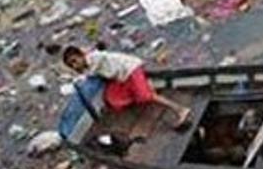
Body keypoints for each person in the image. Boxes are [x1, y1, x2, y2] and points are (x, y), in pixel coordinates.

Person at [62, 46, 191, 129]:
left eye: (74, 61)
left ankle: (180, 109)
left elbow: (96, 65)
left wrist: (82, 73)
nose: (75, 66)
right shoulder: (88, 66)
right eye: (71, 65)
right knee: (113, 100)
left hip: (131, 69)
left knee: (145, 97)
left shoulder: (95, 58)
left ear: (81, 55)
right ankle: (143, 87)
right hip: (122, 77)